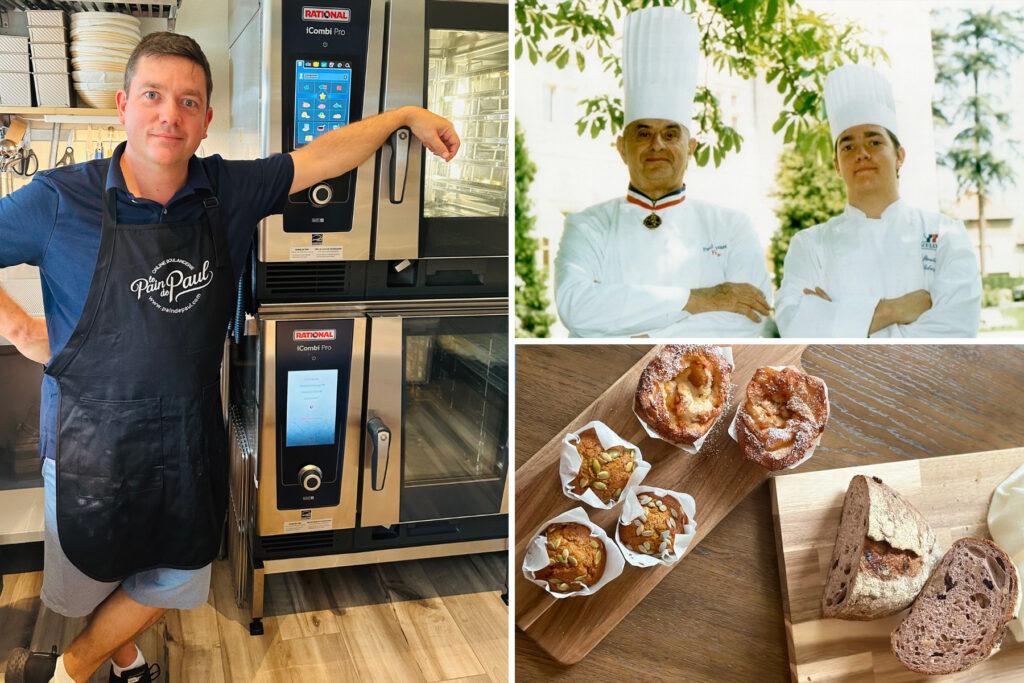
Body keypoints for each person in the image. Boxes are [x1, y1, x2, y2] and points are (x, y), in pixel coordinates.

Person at [0, 32, 458, 683]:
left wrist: (405, 116)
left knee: (175, 573)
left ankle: (67, 672)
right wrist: (19, 328)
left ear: (207, 119)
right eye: (154, 95)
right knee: (93, 570)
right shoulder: (57, 198)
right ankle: (118, 662)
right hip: (87, 442)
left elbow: (322, 157)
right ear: (123, 105)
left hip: (184, 434)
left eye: (189, 101)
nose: (170, 115)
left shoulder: (230, 189)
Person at [554, 6, 772, 338]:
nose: (657, 144)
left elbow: (751, 319)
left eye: (671, 134)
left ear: (691, 148)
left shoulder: (732, 226)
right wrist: (700, 299)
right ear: (621, 148)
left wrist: (646, 340)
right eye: (642, 133)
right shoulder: (586, 226)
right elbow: (576, 307)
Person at [775, 63, 981, 337]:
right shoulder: (810, 245)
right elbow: (796, 327)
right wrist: (892, 310)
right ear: (837, 165)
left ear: (900, 156)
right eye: (848, 146)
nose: (861, 153)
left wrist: (839, 321)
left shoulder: (946, 235)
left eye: (874, 142)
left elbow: (956, 330)